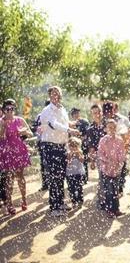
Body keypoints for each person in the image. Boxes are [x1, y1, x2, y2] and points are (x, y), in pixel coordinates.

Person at [40, 86, 80, 216]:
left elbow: (64, 123)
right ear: (49, 96)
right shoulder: (47, 110)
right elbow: (54, 124)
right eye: (52, 94)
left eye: (57, 93)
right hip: (50, 146)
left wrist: (71, 124)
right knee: (54, 176)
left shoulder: (62, 109)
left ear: (60, 95)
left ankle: (60, 202)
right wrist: (69, 130)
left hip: (61, 146)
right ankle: (54, 207)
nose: (55, 95)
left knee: (61, 176)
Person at [0, 99, 33, 214]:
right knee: (9, 177)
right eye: (7, 109)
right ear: (3, 110)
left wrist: (24, 132)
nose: (10, 111)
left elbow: (30, 133)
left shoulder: (20, 120)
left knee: (20, 176)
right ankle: (9, 204)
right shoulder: (1, 121)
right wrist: (3, 127)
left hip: (19, 150)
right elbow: (1, 137)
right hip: (7, 151)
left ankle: (24, 200)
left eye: (12, 109)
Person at [97, 119, 126, 218]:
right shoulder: (103, 140)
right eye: (110, 127)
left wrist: (119, 163)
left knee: (115, 190)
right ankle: (109, 210)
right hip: (106, 168)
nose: (112, 129)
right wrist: (108, 161)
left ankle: (116, 209)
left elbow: (122, 154)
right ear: (106, 129)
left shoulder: (119, 140)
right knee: (108, 190)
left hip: (116, 169)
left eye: (114, 127)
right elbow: (100, 154)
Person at [32, 99, 51, 191]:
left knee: (47, 163)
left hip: (51, 142)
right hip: (43, 142)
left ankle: (50, 183)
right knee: (44, 163)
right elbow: (34, 128)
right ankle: (46, 183)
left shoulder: (56, 115)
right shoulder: (40, 116)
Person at [70, 107, 90, 184]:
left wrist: (80, 139)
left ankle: (85, 179)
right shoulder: (71, 124)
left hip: (83, 145)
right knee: (75, 162)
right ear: (72, 115)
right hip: (74, 146)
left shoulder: (84, 122)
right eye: (74, 114)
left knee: (83, 161)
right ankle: (77, 178)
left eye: (77, 113)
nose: (76, 115)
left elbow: (88, 134)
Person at [66, 137, 85, 209]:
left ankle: (80, 200)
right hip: (70, 173)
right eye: (71, 146)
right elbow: (68, 162)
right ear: (69, 146)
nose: (73, 148)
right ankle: (74, 201)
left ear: (78, 146)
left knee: (79, 186)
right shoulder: (68, 153)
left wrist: (78, 155)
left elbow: (82, 160)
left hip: (78, 172)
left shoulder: (80, 152)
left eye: (75, 146)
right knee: (71, 188)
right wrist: (70, 156)